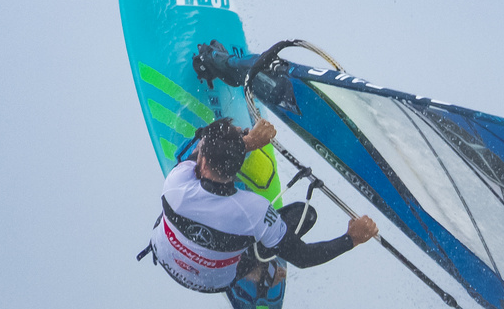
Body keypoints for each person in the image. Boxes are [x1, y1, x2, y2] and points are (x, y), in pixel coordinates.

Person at [145, 117, 378, 294]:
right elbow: (302, 257)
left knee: (180, 204)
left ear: (202, 160)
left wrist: (246, 142)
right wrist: (351, 239)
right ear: (237, 168)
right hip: (214, 283)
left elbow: (196, 155)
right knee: (304, 216)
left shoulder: (177, 183)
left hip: (165, 256)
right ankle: (255, 270)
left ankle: (252, 268)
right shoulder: (254, 210)